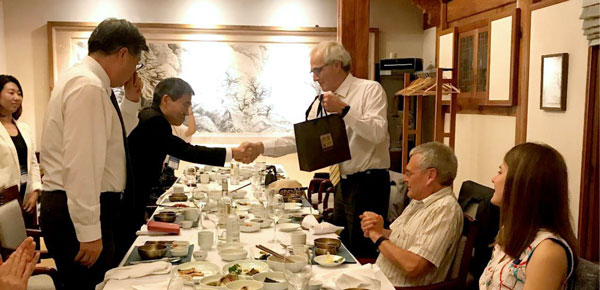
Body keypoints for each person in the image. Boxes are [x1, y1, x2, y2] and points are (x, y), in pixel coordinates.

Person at [240, 41, 390, 258]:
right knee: (339, 248)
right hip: (341, 183)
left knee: (363, 251)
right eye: (313, 72)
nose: (315, 78)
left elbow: (378, 133)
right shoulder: (321, 102)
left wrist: (344, 110)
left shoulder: (369, 90)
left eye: (318, 70)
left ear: (337, 64)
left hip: (369, 184)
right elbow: (301, 139)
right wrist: (262, 146)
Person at [39, 18, 147, 290]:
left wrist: (131, 102)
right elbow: (81, 164)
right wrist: (88, 231)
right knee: (89, 286)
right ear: (123, 53)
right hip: (76, 209)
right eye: (136, 63)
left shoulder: (89, 83)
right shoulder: (88, 86)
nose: (134, 70)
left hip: (79, 205)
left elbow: (111, 142)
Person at [120, 77, 254, 252]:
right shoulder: (155, 121)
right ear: (166, 100)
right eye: (185, 104)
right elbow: (186, 151)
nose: (187, 111)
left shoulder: (151, 116)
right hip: (128, 201)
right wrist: (233, 153)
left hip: (136, 197)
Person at [360, 142, 463, 286]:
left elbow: (413, 266)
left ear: (430, 175)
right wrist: (378, 229)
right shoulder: (420, 200)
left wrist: (378, 237)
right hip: (379, 279)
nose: (404, 178)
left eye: (409, 173)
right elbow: (402, 240)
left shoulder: (445, 209)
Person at [479, 143, 577, 290]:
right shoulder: (511, 232)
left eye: (500, 172)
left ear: (522, 183)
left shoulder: (547, 252)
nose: (493, 179)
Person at [0, 75, 41, 226]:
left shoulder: (24, 129)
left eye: (19, 93)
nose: (17, 97)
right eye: (11, 93)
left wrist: (36, 191)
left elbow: (33, 163)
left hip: (26, 200)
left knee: (28, 246)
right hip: (4, 201)